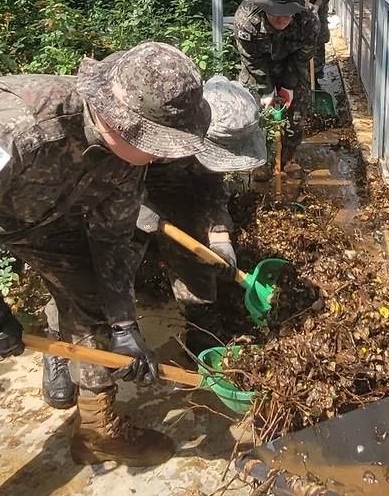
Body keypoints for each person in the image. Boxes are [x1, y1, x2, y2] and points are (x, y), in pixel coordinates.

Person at [0, 42, 211, 496]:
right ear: (116, 119)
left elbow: (112, 239)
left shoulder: (127, 158)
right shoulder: (15, 129)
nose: (160, 156)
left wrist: (124, 324)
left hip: (34, 217)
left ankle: (96, 429)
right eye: (155, 143)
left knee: (94, 299)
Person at [41, 76, 267, 407]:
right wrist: (142, 213)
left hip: (169, 188)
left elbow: (209, 188)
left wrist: (219, 235)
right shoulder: (148, 120)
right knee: (89, 280)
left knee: (197, 254)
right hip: (112, 195)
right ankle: (57, 347)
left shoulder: (214, 133)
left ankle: (201, 332)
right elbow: (101, 175)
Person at [234, 0, 319, 179]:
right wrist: (266, 89)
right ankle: (259, 161)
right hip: (258, 71)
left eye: (287, 14)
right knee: (253, 117)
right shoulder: (247, 19)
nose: (281, 20)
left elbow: (302, 57)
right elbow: (251, 59)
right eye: (275, 14)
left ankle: (286, 159)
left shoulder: (308, 22)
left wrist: (288, 86)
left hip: (292, 69)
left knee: (296, 117)